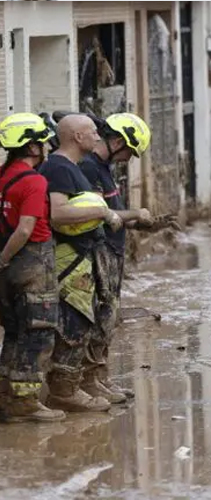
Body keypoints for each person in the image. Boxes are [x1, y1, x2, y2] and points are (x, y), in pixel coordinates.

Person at [80, 112, 172, 404]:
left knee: (108, 319)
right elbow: (96, 215)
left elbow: (114, 213)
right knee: (100, 317)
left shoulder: (104, 168)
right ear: (117, 140)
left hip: (113, 251)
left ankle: (98, 378)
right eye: (130, 152)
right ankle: (89, 381)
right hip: (98, 251)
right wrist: (135, 214)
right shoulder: (89, 169)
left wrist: (148, 223)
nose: (130, 159)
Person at [39, 114, 122, 413]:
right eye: (92, 133)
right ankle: (63, 391)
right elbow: (57, 214)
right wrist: (100, 213)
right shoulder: (59, 168)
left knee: (83, 321)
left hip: (79, 257)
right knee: (73, 323)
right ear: (76, 137)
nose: (98, 138)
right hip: (67, 260)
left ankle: (72, 385)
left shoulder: (69, 168)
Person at [0, 113, 64, 422]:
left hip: (6, 267)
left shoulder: (2, 175)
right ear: (32, 147)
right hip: (31, 263)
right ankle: (24, 403)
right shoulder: (34, 182)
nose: (45, 148)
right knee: (38, 332)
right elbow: (25, 229)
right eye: (42, 142)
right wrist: (6, 255)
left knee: (13, 331)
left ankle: (5, 397)